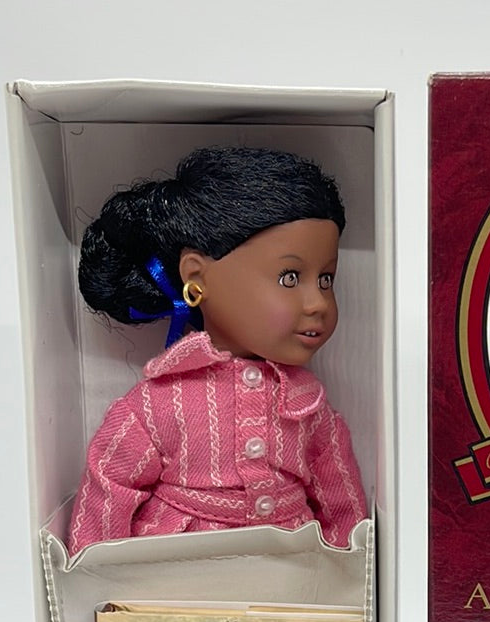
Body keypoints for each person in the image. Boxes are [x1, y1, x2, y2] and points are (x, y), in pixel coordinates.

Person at [68, 146, 367, 555]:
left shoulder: (308, 407)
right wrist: (98, 573)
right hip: (181, 568)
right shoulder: (157, 404)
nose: (317, 303)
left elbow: (341, 499)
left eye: (326, 279)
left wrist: (349, 565)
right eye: (289, 277)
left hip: (289, 571)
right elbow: (109, 484)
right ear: (197, 277)